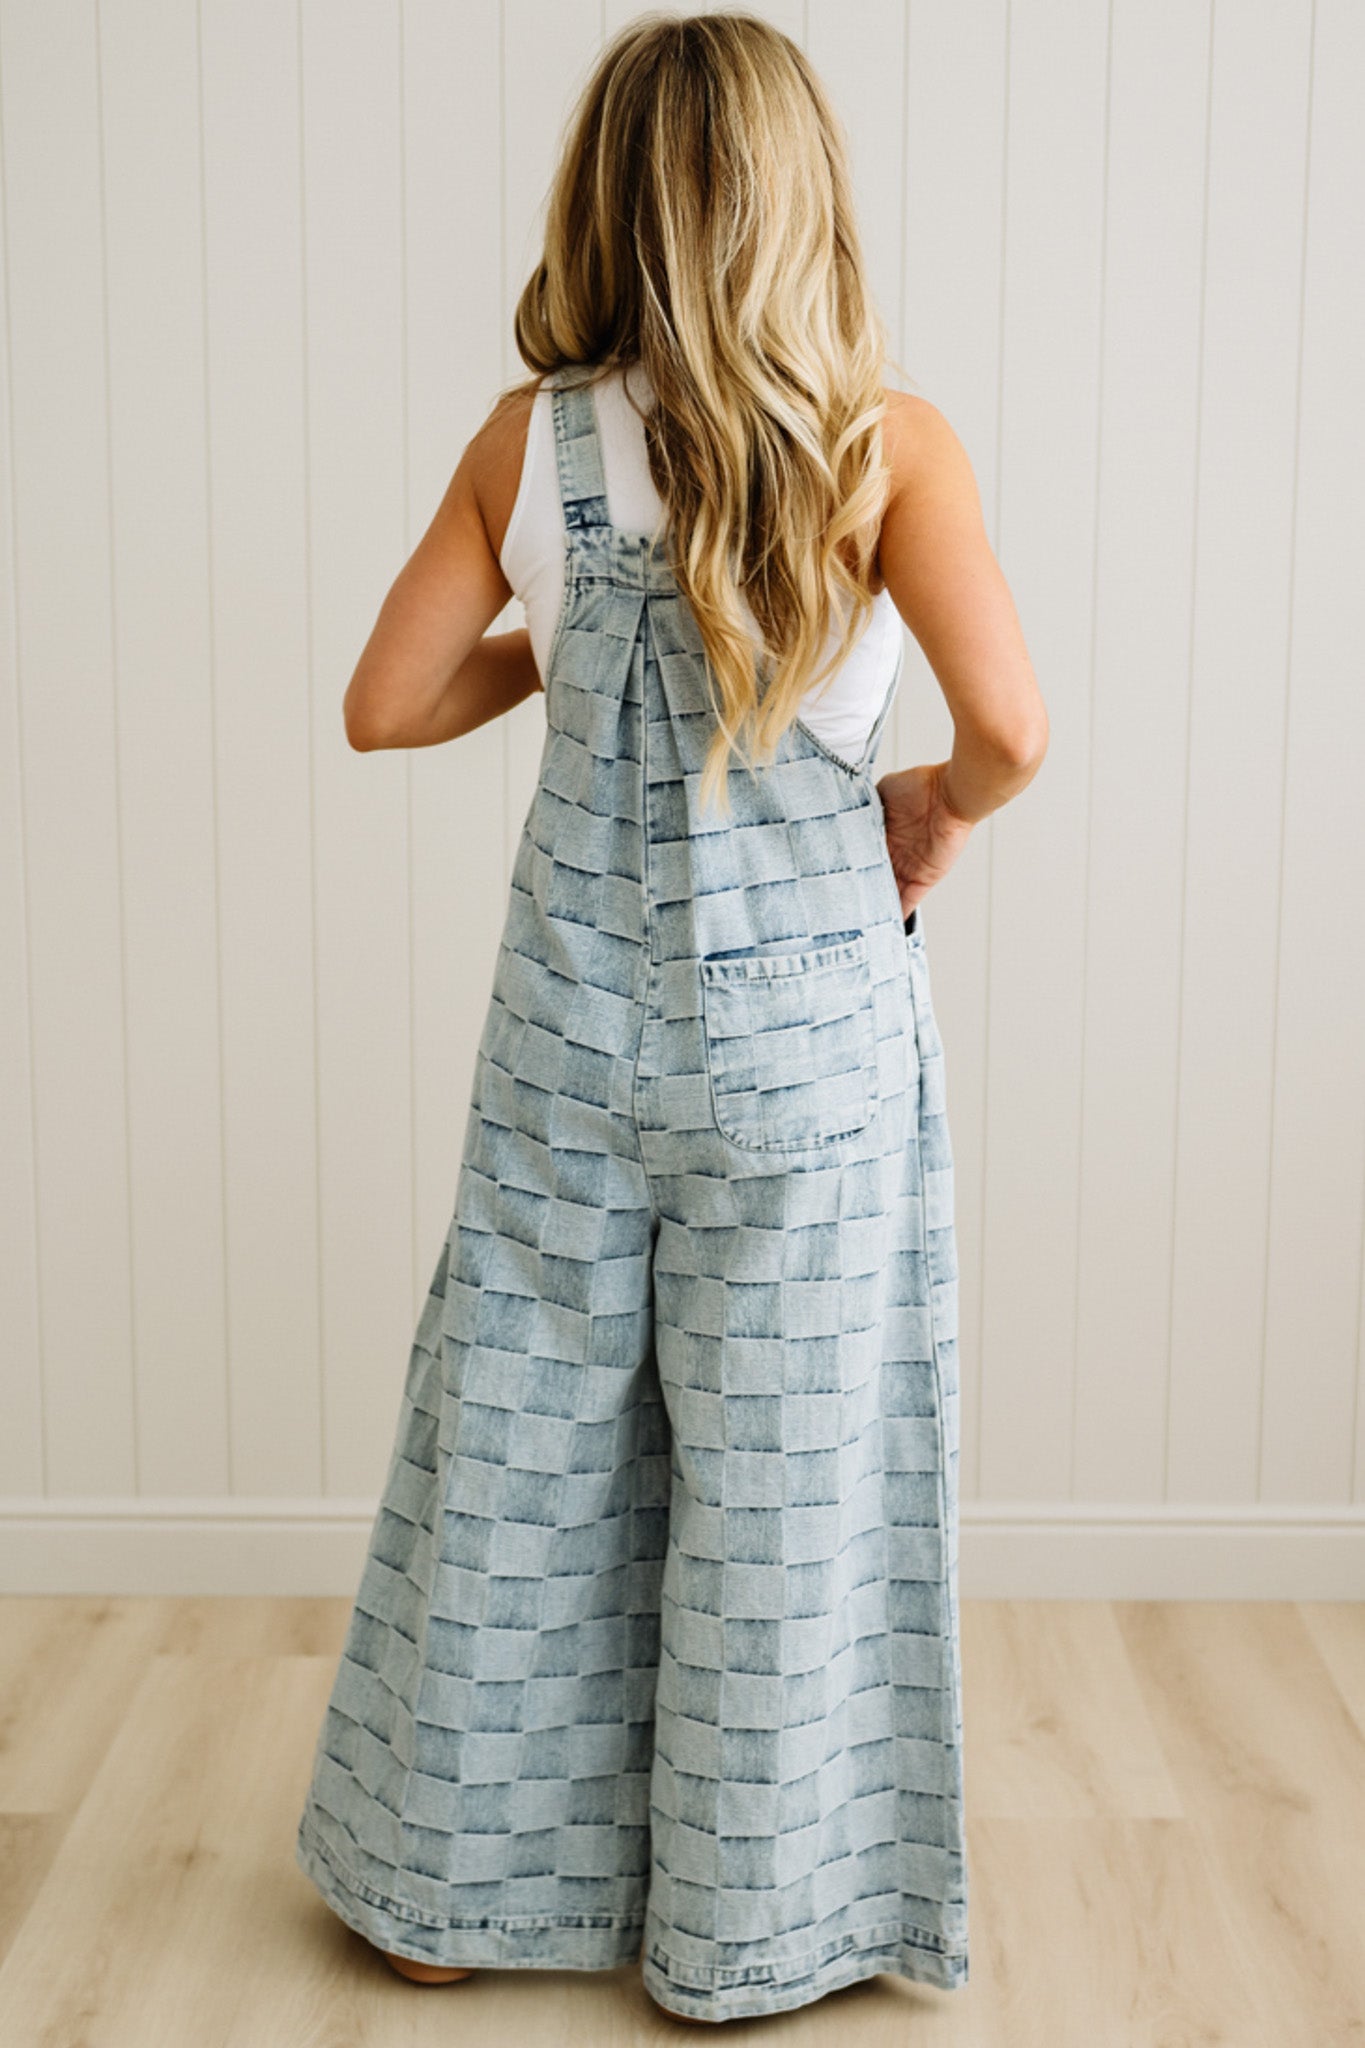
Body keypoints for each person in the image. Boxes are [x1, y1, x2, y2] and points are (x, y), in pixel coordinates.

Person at [293, 9, 1047, 2027]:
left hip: (571, 1041)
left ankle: (444, 1900)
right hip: (805, 1051)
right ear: (799, 200)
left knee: (523, 1449)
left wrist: (551, 661)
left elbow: (379, 702)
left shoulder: (523, 441)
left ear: (601, 196)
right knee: (788, 1476)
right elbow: (1012, 733)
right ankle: (740, 1935)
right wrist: (927, 812)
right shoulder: (884, 442)